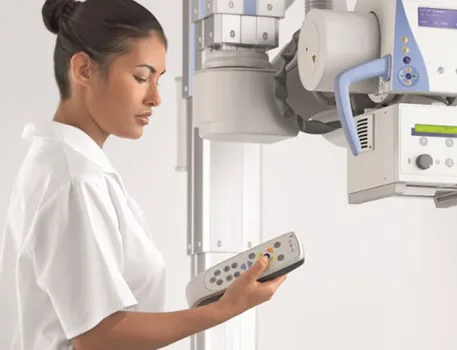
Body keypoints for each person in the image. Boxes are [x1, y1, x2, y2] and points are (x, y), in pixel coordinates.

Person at [0, 0, 287, 349]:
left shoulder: (59, 165)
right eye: (140, 77)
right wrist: (226, 308)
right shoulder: (75, 180)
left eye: (158, 80)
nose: (155, 98)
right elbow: (99, 336)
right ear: (84, 70)